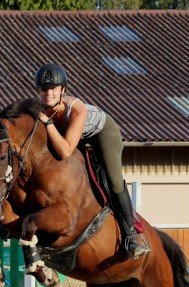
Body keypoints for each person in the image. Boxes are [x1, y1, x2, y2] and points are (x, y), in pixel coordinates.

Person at [34, 63, 149, 260]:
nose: (48, 93)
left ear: (63, 90)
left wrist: (47, 122)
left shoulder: (76, 109)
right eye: (44, 89)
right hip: (73, 137)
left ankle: (132, 236)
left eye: (53, 88)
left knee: (113, 180)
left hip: (102, 134)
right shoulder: (38, 109)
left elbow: (65, 150)